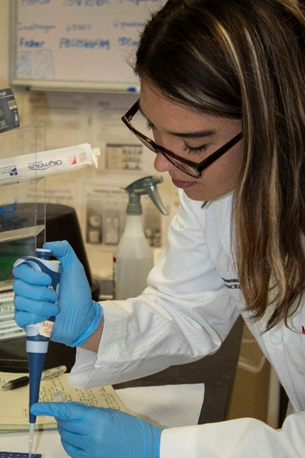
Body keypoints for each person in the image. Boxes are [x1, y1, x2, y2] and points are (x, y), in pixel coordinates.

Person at [12, 0, 305, 456]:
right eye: (154, 130)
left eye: (191, 143)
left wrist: (162, 448)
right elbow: (186, 310)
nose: (163, 164)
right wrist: (91, 326)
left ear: (276, 124)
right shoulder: (214, 191)